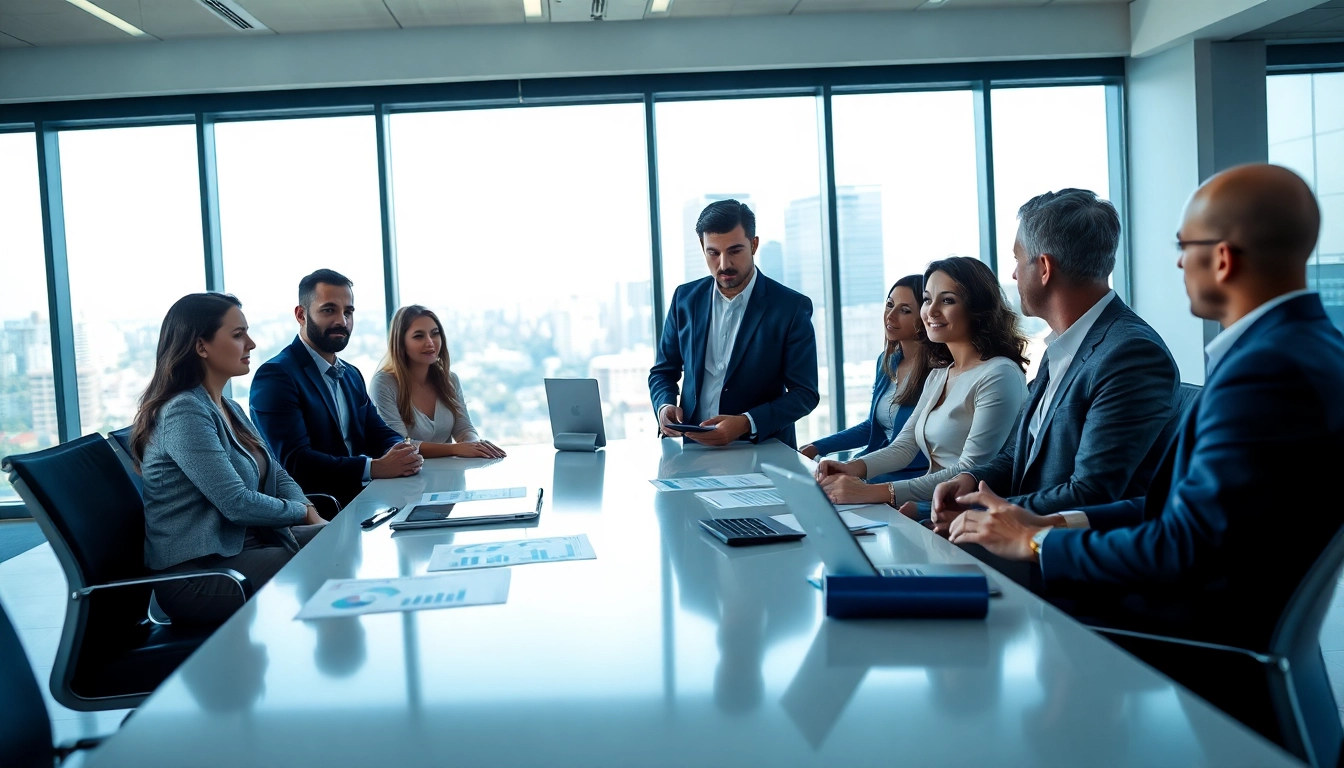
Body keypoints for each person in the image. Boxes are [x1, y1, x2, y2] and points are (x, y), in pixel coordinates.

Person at [948, 164, 1344, 738]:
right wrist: (1049, 522)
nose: (1179, 262)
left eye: (1185, 246)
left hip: (1194, 643)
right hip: (1195, 617)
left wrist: (1035, 542)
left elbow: (1185, 547)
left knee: (958, 638)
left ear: (1224, 259)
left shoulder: (1268, 370)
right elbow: (1182, 512)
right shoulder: (1297, 347)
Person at [929, 190, 1180, 535]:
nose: (1014, 275)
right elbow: (1019, 454)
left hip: (1068, 563)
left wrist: (978, 512)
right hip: (1022, 542)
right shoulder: (1060, 348)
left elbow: (1091, 492)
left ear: (1044, 268)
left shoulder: (1131, 354)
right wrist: (970, 480)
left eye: (1018, 259)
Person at [132, 293, 326, 625]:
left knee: (341, 542)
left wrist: (310, 516)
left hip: (244, 551)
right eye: (238, 335)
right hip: (199, 575)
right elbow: (237, 503)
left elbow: (277, 473)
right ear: (201, 346)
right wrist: (302, 513)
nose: (250, 343)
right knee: (328, 561)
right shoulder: (185, 411)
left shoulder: (228, 407)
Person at [815, 257, 1029, 508]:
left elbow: (971, 469)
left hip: (971, 514)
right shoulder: (940, 374)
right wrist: (849, 468)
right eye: (928, 300)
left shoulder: (998, 374)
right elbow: (904, 447)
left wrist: (875, 492)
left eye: (947, 300)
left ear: (977, 309)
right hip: (934, 503)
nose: (931, 311)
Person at [649, 199, 819, 449]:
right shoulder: (684, 299)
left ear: (754, 244)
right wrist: (664, 406)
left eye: (735, 251)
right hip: (692, 450)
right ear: (702, 246)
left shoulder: (790, 308)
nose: (724, 264)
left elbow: (805, 393)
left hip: (762, 451)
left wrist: (745, 422)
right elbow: (663, 372)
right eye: (713, 253)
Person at [250, 269, 421, 508]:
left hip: (366, 501)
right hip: (320, 511)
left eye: (348, 312)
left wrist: (401, 451)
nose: (342, 321)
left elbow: (377, 431)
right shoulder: (276, 375)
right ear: (301, 315)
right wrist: (375, 467)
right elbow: (295, 462)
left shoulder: (351, 374)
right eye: (329, 310)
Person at [800, 275, 934, 483]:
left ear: (924, 317)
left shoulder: (936, 373)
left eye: (904, 310)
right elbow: (873, 426)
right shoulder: (887, 361)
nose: (890, 316)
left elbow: (910, 449)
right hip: (874, 468)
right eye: (889, 305)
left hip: (910, 476)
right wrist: (817, 446)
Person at [371, 305, 506, 460]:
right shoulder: (384, 383)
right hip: (407, 479)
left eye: (435, 334)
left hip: (449, 476)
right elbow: (399, 445)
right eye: (418, 336)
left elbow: (464, 428)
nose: (430, 342)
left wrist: (475, 445)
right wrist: (455, 449)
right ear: (401, 342)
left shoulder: (450, 380)